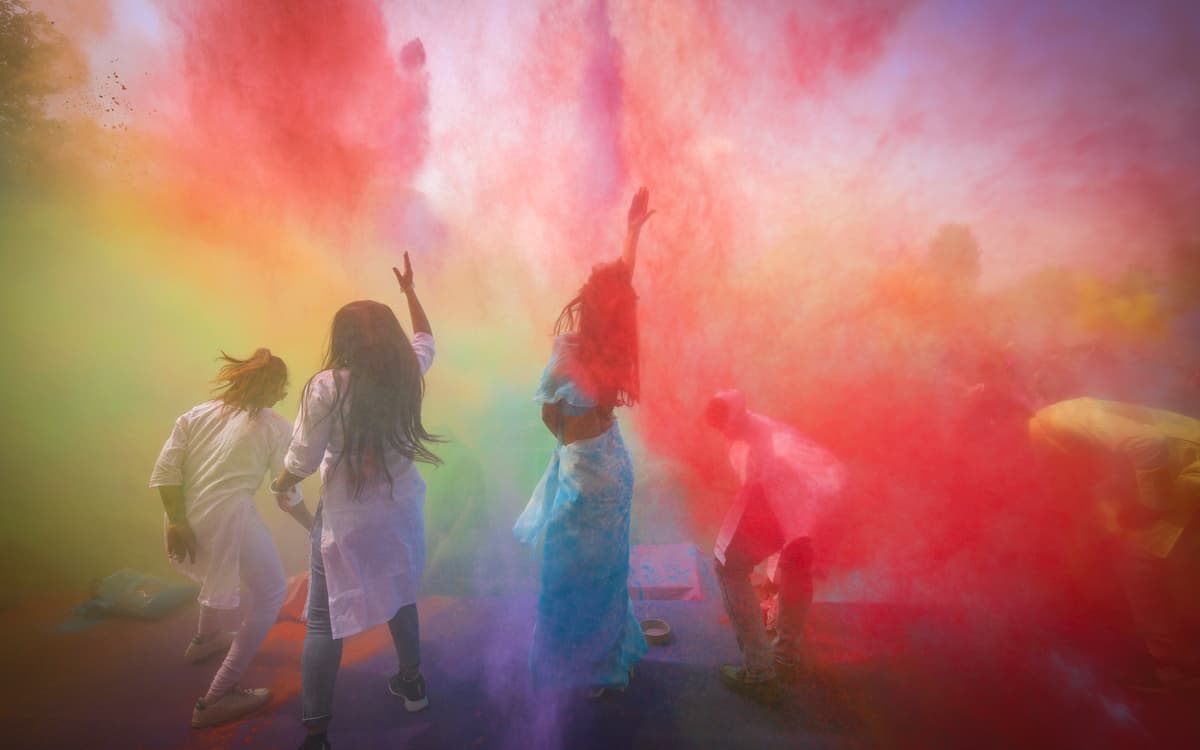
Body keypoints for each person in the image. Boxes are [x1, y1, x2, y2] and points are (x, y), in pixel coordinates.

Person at [269, 253, 440, 750]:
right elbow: (426, 339)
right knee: (400, 596)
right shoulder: (408, 371)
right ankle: (412, 682)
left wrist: (280, 484)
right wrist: (410, 292)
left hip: (345, 517)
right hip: (401, 511)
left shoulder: (327, 386)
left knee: (323, 621)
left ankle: (317, 734)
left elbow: (302, 457)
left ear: (341, 340)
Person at [513, 187, 655, 696]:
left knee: (566, 579)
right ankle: (602, 664)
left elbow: (549, 414)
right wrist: (632, 235)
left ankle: (573, 668)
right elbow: (620, 293)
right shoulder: (616, 350)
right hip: (614, 468)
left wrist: (567, 444)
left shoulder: (570, 348)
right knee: (605, 575)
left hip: (583, 474)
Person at [149, 348, 313, 729]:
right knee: (271, 592)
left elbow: (167, 472)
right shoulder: (275, 426)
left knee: (220, 565)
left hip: (187, 520)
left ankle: (205, 639)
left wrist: (176, 521)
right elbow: (283, 492)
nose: (281, 395)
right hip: (228, 519)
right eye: (279, 386)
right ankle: (216, 699)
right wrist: (313, 523)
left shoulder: (196, 414)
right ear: (265, 385)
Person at [1028, 397, 1200, 691]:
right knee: (1149, 567)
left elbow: (1150, 444)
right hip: (1180, 473)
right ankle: (1172, 659)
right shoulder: (1056, 427)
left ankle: (1173, 667)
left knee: (1140, 567)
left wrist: (1151, 507)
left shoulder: (1064, 419)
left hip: (1188, 469)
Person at [704, 389, 845, 705]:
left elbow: (770, 508)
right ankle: (786, 658)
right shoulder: (769, 429)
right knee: (797, 562)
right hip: (825, 489)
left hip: (788, 490)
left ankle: (759, 671)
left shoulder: (752, 451)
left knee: (727, 566)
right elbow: (791, 524)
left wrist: (768, 575)